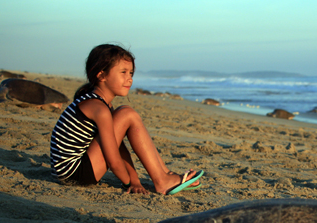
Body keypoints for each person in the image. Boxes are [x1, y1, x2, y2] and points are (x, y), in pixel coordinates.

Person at [50, 44, 203, 194]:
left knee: (124, 111)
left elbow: (118, 147)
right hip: (76, 174)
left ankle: (165, 175)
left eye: (131, 73)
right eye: (123, 72)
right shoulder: (98, 108)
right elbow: (113, 161)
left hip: (73, 170)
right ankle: (162, 180)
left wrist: (136, 180)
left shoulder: (101, 105)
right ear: (101, 75)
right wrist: (129, 183)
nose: (129, 79)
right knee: (126, 113)